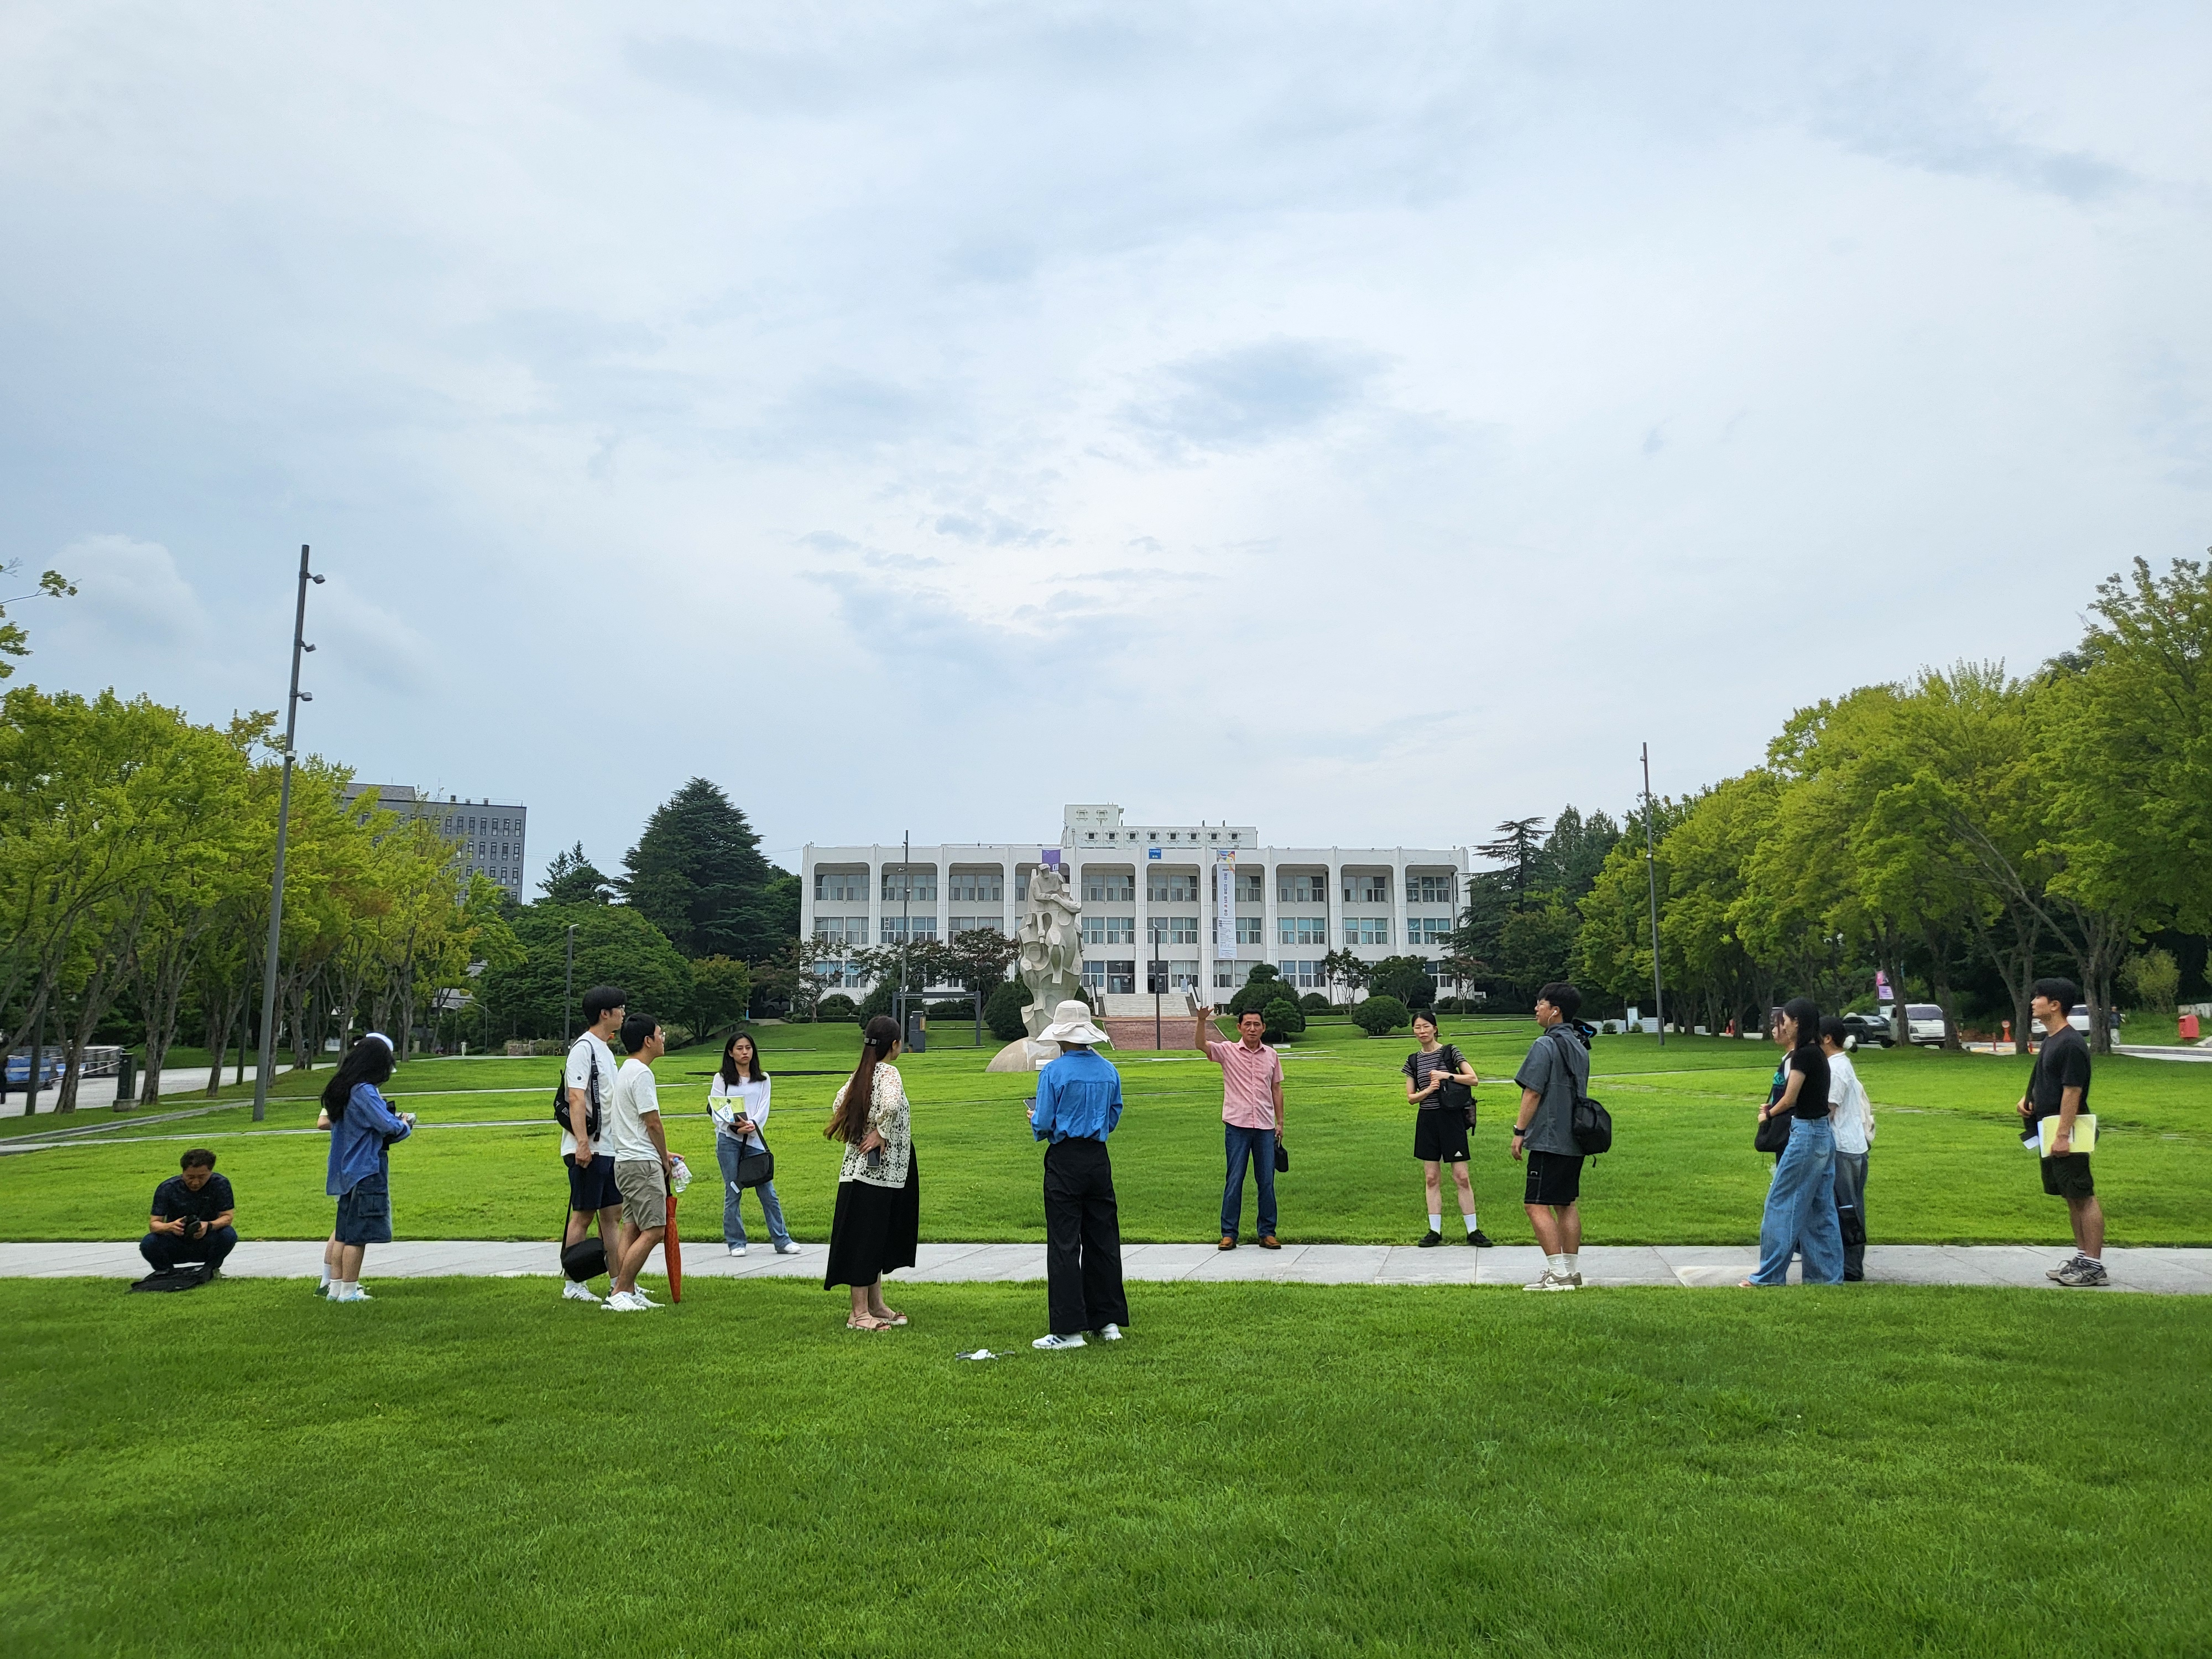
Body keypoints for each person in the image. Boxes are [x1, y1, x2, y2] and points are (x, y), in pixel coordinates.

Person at [1027, 999, 1129, 1349]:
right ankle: (1107, 1321)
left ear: (1061, 1035)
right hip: (1098, 1158)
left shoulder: (1054, 1072)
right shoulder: (1108, 1070)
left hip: (1066, 1158)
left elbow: (1043, 1122)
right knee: (1103, 1238)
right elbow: (1114, 1113)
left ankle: (1068, 1329)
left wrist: (1038, 1124)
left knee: (1065, 1243)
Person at [824, 1014, 920, 1331]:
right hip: (877, 1172)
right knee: (865, 1239)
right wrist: (881, 1131)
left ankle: (876, 1305)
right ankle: (859, 1313)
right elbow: (891, 1105)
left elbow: (838, 1102)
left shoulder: (861, 1074)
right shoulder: (889, 1073)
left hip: (860, 1171)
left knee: (873, 1235)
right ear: (894, 1045)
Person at [1742, 998, 1844, 1288]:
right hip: (1823, 1136)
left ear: (1797, 1022)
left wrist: (1767, 1114)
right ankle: (1827, 1278)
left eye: (1785, 1021)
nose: (1782, 1026)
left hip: (1806, 1137)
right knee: (1819, 1210)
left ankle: (1768, 1277)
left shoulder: (1802, 1056)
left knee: (1781, 1204)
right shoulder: (1819, 1055)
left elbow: (1789, 1098)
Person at [2020, 977, 2106, 1287]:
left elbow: (2073, 1091)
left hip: (2067, 1131)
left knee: (2083, 1194)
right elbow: (2047, 1078)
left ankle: (2094, 1265)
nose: (2033, 1002)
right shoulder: (2052, 1038)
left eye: (2038, 998)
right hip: (2050, 1127)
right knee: (2071, 1195)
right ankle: (2082, 1258)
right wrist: (2028, 1098)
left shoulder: (2070, 1043)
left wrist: (2061, 1136)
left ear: (2054, 1005)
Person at [1511, 982, 1593, 1290]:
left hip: (1549, 1137)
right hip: (1576, 1137)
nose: (1536, 1009)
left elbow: (1532, 1092)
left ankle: (1557, 1275)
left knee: (1535, 1204)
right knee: (1566, 1204)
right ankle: (1570, 1273)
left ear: (1554, 1011)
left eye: (1540, 1004)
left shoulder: (1544, 1045)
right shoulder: (1579, 1044)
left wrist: (1520, 1131)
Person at [322, 1033, 415, 1303]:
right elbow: (387, 1126)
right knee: (358, 1236)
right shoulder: (363, 1090)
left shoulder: (340, 1088)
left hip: (346, 1169)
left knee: (344, 1232)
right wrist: (406, 1124)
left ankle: (336, 1288)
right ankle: (350, 1291)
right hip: (366, 1168)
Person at [1195, 998, 1286, 1249]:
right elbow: (1201, 1045)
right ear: (1239, 1027)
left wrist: (1281, 1122)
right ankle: (1229, 1233)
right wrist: (1202, 1021)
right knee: (1235, 1179)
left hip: (1266, 1128)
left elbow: (1276, 1089)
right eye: (1248, 1024)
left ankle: (1267, 1232)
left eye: (1257, 1024)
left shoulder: (1272, 1056)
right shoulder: (1227, 1052)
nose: (1252, 1029)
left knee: (1266, 1180)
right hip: (1237, 1126)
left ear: (1264, 1028)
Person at [559, 984, 628, 1305]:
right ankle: (573, 1283)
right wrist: (582, 1144)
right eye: (620, 1008)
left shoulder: (605, 1049)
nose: (624, 1013)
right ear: (605, 1013)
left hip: (610, 1147)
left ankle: (619, 1282)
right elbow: (576, 1097)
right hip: (589, 1149)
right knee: (584, 1215)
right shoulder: (583, 1048)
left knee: (612, 1214)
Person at [603, 1013, 673, 1312]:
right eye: (660, 1033)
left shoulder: (626, 1069)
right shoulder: (642, 1073)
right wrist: (663, 1157)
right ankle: (620, 1291)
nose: (663, 1038)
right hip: (642, 1164)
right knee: (656, 1229)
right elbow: (652, 1122)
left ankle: (625, 1289)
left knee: (631, 1226)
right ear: (648, 1041)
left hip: (627, 1161)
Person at [1403, 1011, 1491, 1247]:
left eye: (1426, 1027)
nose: (1422, 1032)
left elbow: (1473, 1079)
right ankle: (1434, 1230)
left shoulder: (1451, 1051)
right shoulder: (1412, 1061)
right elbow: (1411, 1098)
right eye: (1417, 1028)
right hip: (1427, 1120)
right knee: (1431, 1178)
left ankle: (1473, 1231)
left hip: (1451, 1119)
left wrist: (1446, 1076)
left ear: (1435, 1028)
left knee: (1461, 1177)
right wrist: (1429, 1090)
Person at [710, 1031, 796, 1257]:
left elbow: (763, 1109)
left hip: (754, 1140)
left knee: (767, 1191)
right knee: (733, 1190)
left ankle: (782, 1240)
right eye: (739, 1048)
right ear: (730, 1052)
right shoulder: (721, 1079)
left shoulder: (764, 1079)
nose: (744, 1052)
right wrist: (734, 1126)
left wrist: (751, 1124)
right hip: (729, 1140)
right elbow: (718, 1110)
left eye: (748, 1048)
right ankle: (736, 1242)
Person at [1820, 1016, 1876, 1282]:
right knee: (1851, 1205)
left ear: (1827, 1038)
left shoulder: (1836, 1068)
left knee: (1846, 1208)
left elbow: (1828, 1109)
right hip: (1853, 1145)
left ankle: (1851, 1267)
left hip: (1843, 1146)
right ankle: (1849, 1263)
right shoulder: (1842, 1065)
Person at [140, 1148, 237, 1279]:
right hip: (176, 1241)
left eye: (202, 1177)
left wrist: (208, 1226)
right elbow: (154, 1225)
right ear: (183, 1172)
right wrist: (171, 1226)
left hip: (206, 1239)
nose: (196, 1182)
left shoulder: (220, 1184)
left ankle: (211, 1269)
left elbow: (227, 1217)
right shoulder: (168, 1188)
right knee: (149, 1242)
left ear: (211, 1172)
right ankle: (166, 1273)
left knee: (228, 1234)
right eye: (190, 1177)